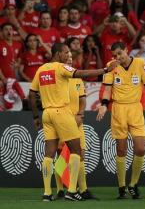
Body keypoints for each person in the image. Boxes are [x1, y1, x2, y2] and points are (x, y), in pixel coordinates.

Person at [28, 43, 117, 201]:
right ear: (58, 54)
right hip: (62, 112)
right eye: (66, 52)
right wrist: (104, 70)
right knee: (76, 151)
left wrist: (35, 116)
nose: (68, 55)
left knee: (49, 154)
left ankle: (47, 193)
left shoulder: (41, 70)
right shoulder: (60, 67)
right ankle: (71, 191)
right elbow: (82, 73)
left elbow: (32, 94)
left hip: (46, 114)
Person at [96, 41, 145, 199]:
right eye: (115, 55)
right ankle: (122, 187)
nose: (118, 57)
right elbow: (107, 88)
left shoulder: (139, 63)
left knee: (140, 149)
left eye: (120, 54)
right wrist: (104, 105)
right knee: (121, 149)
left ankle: (134, 183)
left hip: (135, 109)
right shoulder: (111, 65)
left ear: (126, 50)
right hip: (118, 110)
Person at [54, 51, 97, 200]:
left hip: (77, 121)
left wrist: (80, 114)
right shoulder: (58, 77)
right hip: (61, 120)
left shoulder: (77, 79)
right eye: (68, 58)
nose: (70, 60)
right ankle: (60, 189)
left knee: (81, 155)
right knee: (60, 155)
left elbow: (83, 100)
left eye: (72, 58)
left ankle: (83, 189)